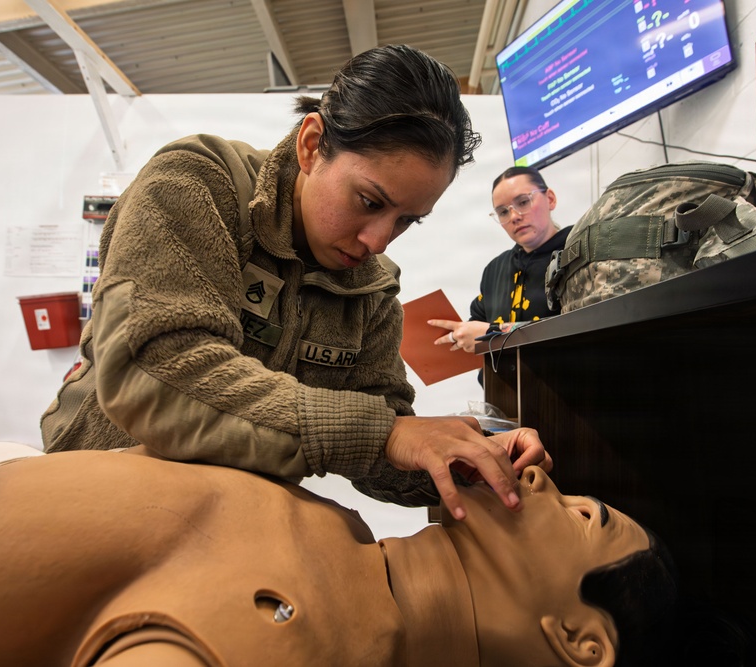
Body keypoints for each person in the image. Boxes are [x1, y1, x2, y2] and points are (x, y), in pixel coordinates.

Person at [39, 44, 550, 522]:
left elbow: (385, 438)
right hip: (97, 505)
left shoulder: (370, 288)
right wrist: (384, 433)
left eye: (405, 221)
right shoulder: (195, 185)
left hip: (230, 520)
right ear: (311, 145)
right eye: (370, 202)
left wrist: (467, 454)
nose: (379, 240)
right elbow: (156, 377)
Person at [0, 441, 677, 667]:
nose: (537, 471)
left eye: (583, 514)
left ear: (579, 640)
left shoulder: (324, 635)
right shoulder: (356, 561)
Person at [430, 166, 570, 358]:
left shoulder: (577, 250)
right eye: (503, 212)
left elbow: (587, 324)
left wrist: (493, 333)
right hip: (502, 386)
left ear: (550, 199)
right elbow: (477, 325)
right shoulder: (495, 269)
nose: (514, 217)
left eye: (523, 202)